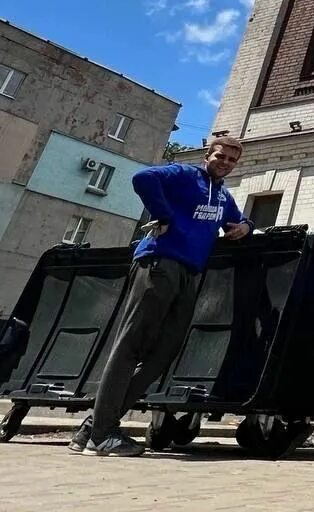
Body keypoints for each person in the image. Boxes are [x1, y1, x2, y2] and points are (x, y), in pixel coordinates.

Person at [71, 137, 253, 457]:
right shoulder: (184, 174)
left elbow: (237, 221)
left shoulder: (223, 195)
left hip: (189, 273)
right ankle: (102, 435)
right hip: (160, 262)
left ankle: (94, 427)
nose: (225, 162)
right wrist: (164, 215)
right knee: (132, 345)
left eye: (231, 160)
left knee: (164, 352)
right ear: (208, 156)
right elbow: (143, 178)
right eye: (220, 156)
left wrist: (246, 227)